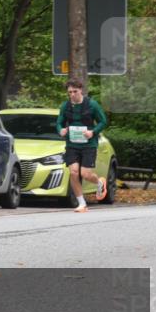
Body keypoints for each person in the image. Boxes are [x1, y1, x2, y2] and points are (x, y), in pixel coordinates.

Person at [56, 79, 109, 212]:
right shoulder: (65, 106)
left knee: (85, 174)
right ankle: (82, 204)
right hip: (72, 144)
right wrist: (61, 130)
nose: (72, 94)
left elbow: (103, 121)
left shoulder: (92, 105)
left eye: (75, 91)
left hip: (88, 144)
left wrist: (93, 132)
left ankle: (99, 183)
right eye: (70, 92)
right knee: (73, 173)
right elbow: (59, 123)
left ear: (81, 90)